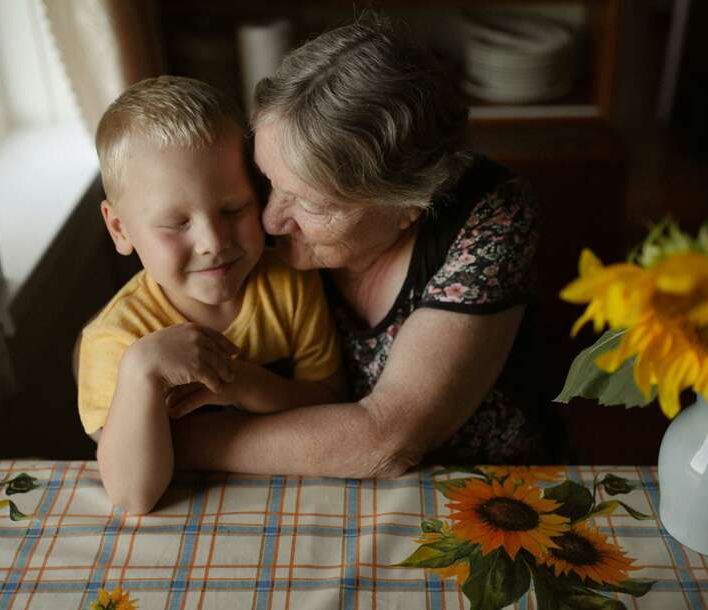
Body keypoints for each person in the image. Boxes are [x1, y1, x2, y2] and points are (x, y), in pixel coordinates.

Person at [165, 16, 561, 477]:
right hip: (306, 485)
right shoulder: (252, 204)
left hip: (487, 490)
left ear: (409, 206)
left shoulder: (491, 213)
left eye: (312, 204)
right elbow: (149, 302)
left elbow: (388, 442)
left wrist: (174, 444)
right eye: (268, 180)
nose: (270, 219)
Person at [77, 76, 344, 514]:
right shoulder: (118, 337)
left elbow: (332, 401)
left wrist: (243, 384)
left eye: (232, 209)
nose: (212, 241)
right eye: (175, 223)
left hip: (302, 503)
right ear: (119, 228)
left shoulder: (292, 284)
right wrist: (142, 370)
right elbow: (132, 496)